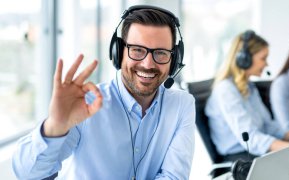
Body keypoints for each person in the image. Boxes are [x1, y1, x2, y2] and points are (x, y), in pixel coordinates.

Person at [12, 5, 195, 180]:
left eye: (161, 53)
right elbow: (28, 174)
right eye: (137, 50)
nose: (148, 64)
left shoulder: (181, 105)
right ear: (118, 52)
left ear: (174, 60)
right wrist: (54, 127)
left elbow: (173, 176)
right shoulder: (86, 103)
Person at [205, 30, 289, 161]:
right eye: (263, 58)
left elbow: (269, 127)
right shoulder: (226, 90)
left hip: (256, 153)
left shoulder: (249, 87)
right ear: (245, 59)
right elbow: (252, 140)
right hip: (239, 160)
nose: (267, 64)